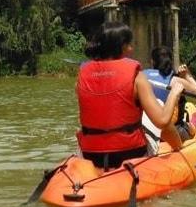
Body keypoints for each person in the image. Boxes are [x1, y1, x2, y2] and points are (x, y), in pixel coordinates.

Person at [76, 22, 188, 170]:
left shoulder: (82, 76)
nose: (131, 49)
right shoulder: (137, 76)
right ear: (121, 46)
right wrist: (174, 93)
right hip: (130, 154)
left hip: (91, 155)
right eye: (129, 44)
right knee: (160, 109)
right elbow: (162, 121)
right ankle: (179, 150)